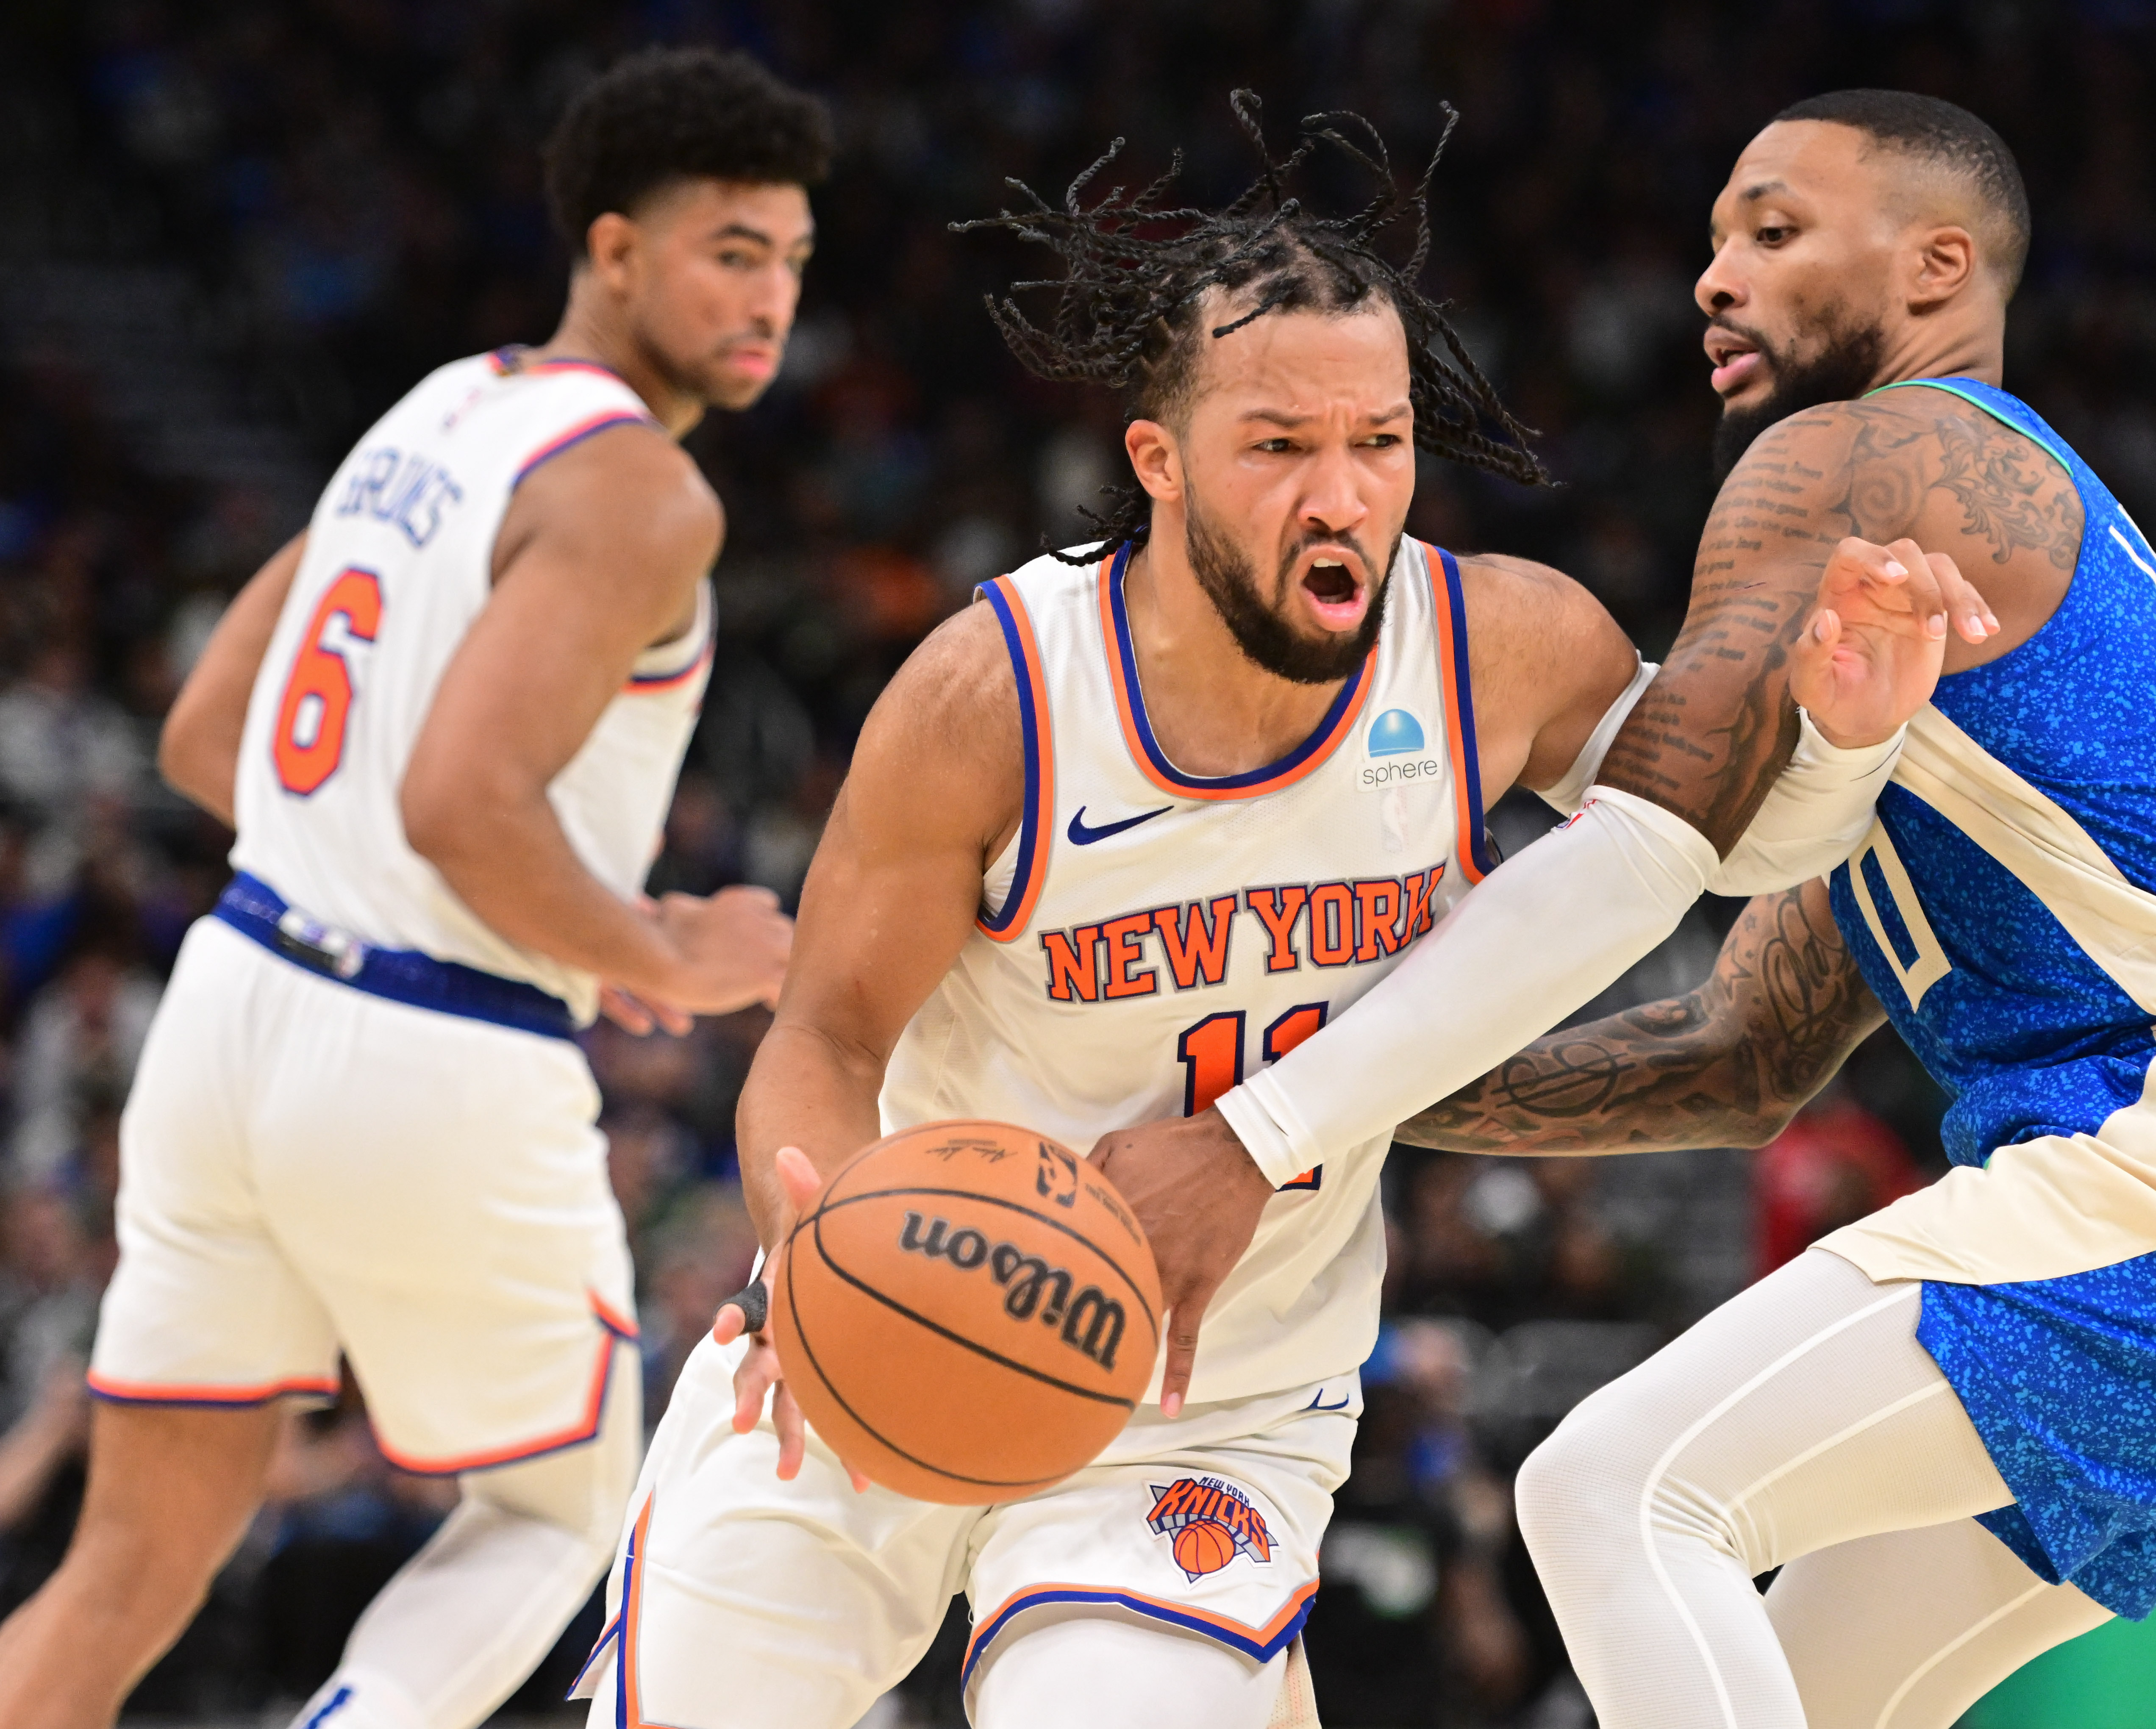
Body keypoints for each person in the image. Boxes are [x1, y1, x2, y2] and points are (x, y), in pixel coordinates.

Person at [580, 97, 1975, 1729]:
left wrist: (1849, 726)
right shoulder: (997, 692)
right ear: (1158, 461)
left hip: (1212, 1400)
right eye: (1278, 445)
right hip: (908, 1298)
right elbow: (823, 1033)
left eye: (1377, 442)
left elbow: (1712, 846)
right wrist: (805, 1243)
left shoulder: (1495, 646)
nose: (1342, 495)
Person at [1100, 90, 2156, 1729]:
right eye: (1717, 236)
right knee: (1793, 1698)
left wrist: (1272, 1101)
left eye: (1774, 231)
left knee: (1608, 1494)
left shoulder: (1873, 453)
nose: (1712, 278)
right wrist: (1356, 1093)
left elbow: (1673, 819)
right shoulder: (1908, 624)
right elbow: (1738, 1054)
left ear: (1937, 266)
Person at [0, 48, 817, 1729]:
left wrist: (476, 891)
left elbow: (211, 735)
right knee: (563, 1509)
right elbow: (460, 805)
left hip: (229, 1008)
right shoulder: (640, 489)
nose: (772, 297)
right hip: (430, 1044)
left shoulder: (435, 408)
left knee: (129, 1563)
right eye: (731, 250)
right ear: (613, 250)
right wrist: (666, 937)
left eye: (793, 260)